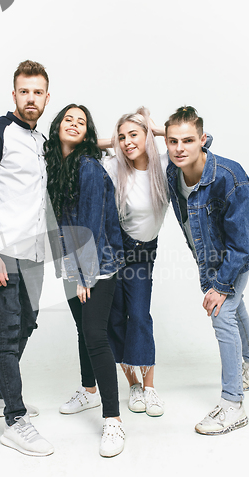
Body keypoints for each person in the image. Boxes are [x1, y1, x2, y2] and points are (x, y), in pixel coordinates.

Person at [0, 60, 54, 456]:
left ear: (46, 97)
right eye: (25, 91)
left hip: (34, 253)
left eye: (38, 92)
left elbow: (87, 143)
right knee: (5, 331)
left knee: (28, 322)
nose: (31, 98)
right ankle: (15, 420)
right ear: (14, 94)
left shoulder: (42, 141)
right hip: (3, 250)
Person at [165, 105, 249, 435]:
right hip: (207, 256)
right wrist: (157, 130)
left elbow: (242, 245)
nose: (179, 148)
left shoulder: (229, 177)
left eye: (188, 141)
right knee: (233, 305)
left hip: (236, 256)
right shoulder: (173, 167)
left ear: (203, 141)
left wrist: (221, 285)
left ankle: (232, 404)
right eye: (172, 141)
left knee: (222, 311)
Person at [45, 104, 126, 457]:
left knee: (95, 336)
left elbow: (91, 223)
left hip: (96, 264)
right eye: (69, 119)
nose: (75, 124)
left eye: (82, 122)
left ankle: (114, 421)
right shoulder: (54, 163)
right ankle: (88, 392)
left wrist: (85, 275)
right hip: (69, 263)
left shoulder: (89, 166)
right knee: (83, 330)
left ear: (87, 133)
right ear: (58, 127)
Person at [102, 108, 169, 417]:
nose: (128, 142)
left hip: (142, 252)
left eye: (134, 135)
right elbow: (84, 147)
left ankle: (150, 387)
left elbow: (203, 144)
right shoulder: (116, 166)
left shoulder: (166, 166)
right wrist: (114, 144)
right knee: (116, 318)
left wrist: (158, 130)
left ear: (147, 137)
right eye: (122, 137)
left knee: (139, 316)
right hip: (116, 249)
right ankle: (133, 383)